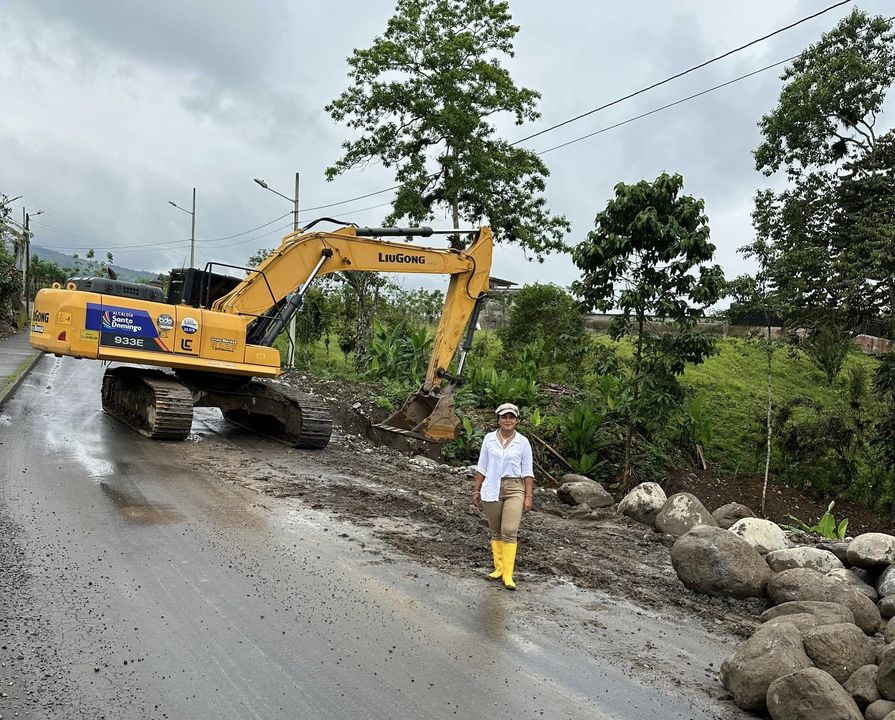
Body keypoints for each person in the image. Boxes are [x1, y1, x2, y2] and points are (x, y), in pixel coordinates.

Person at [471, 402, 534, 590]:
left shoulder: (523, 442)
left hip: (515, 488)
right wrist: (476, 490)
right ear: (498, 420)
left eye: (511, 417)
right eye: (504, 417)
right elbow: (482, 467)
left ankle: (508, 574)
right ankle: (498, 568)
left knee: (509, 530)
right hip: (492, 486)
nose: (508, 420)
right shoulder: (489, 439)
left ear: (516, 420)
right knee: (496, 530)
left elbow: (527, 471)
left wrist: (528, 496)